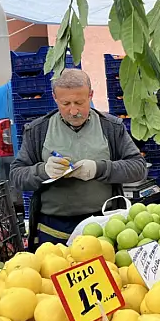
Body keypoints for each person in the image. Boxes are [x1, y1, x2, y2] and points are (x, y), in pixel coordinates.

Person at [10, 69, 146, 248]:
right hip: (53, 230)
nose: (73, 111)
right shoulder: (38, 130)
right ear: (54, 98)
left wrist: (98, 169)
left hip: (102, 225)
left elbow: (138, 167)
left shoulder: (111, 127)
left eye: (79, 102)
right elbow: (16, 175)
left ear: (90, 95)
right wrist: (43, 171)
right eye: (65, 103)